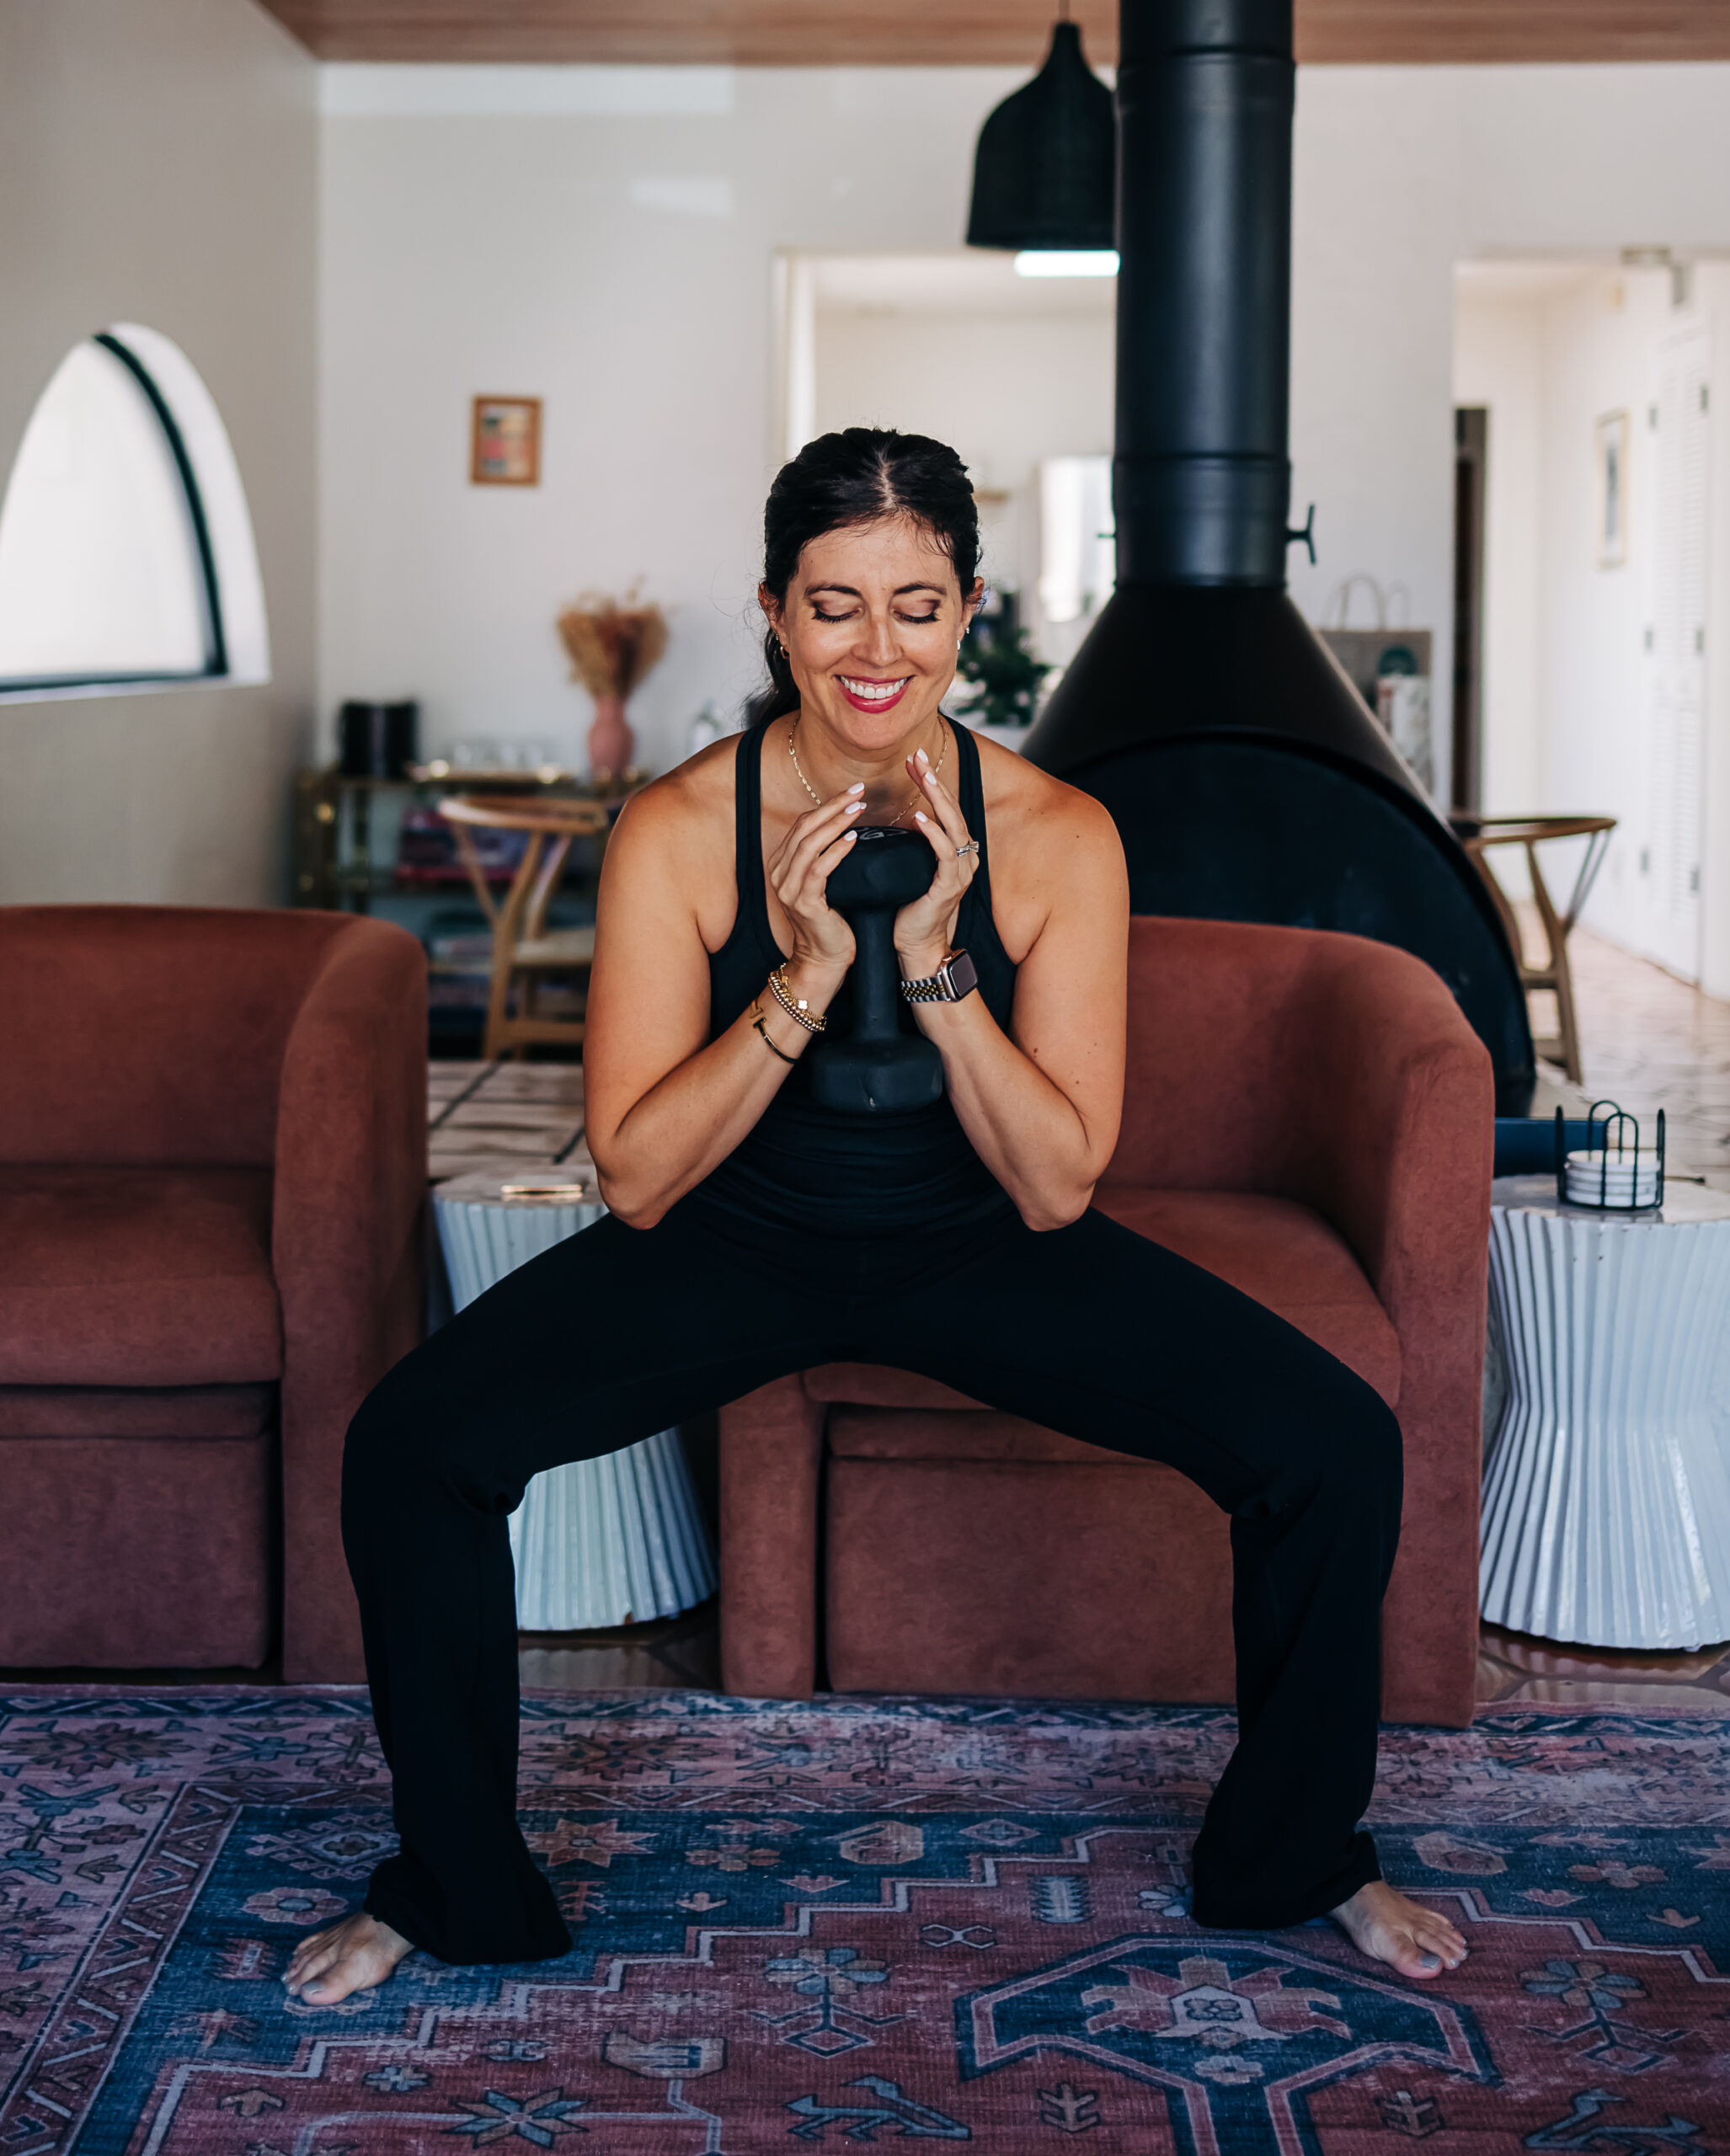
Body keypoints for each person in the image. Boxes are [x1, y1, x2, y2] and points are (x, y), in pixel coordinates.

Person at [286, 428, 1467, 2008]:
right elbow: (635, 1175)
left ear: (967, 612)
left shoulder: (1056, 834)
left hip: (981, 1245)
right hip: (730, 1242)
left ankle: (1292, 1856)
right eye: (833, 604)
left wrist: (931, 966)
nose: (875, 649)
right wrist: (801, 976)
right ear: (774, 611)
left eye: (915, 607)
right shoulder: (677, 828)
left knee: (1333, 1445)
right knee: (410, 1448)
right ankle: (457, 1885)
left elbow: (1055, 1183)